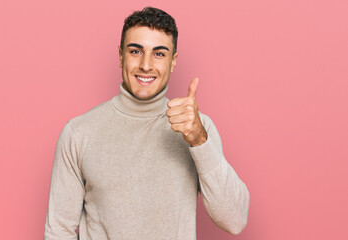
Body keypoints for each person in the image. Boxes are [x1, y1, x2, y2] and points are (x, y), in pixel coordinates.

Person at [44, 7, 250, 240]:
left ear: (173, 62)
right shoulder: (78, 133)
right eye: (136, 51)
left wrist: (199, 142)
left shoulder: (198, 129)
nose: (146, 65)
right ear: (121, 55)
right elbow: (58, 231)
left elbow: (235, 219)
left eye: (159, 54)